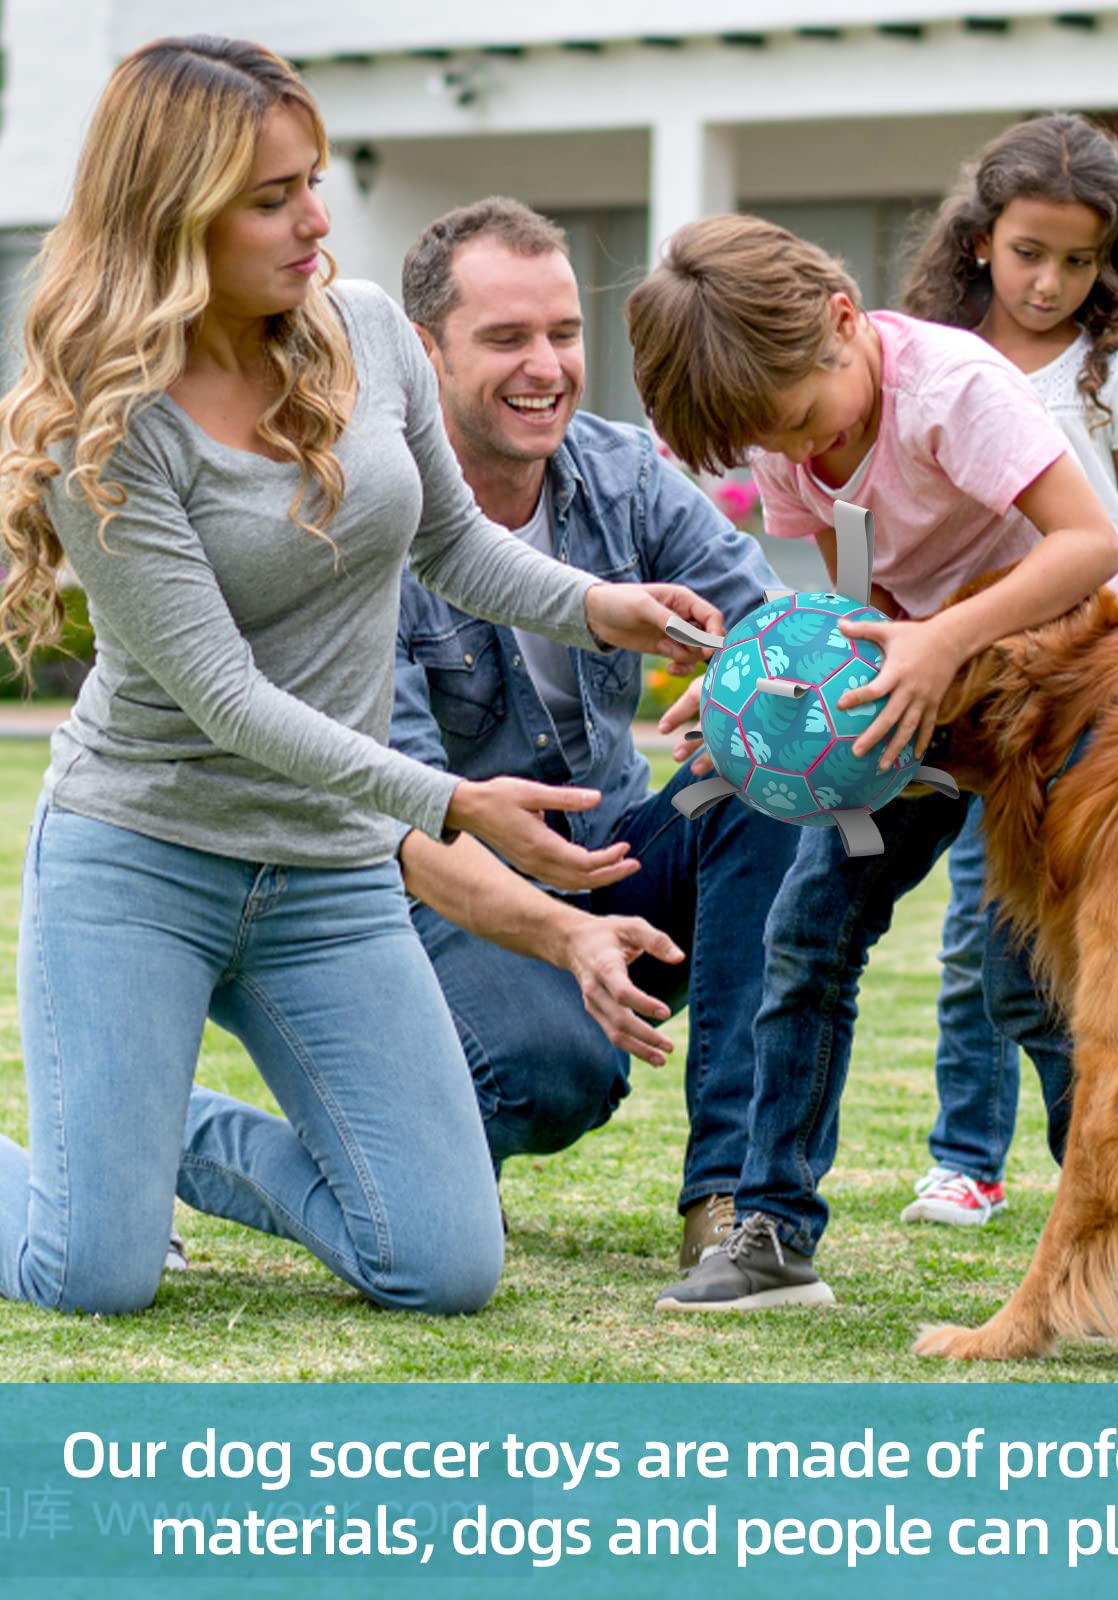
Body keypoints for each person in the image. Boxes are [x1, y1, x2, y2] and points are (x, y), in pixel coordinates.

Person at [0, 36, 713, 1317]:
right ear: (175, 210)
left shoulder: (367, 329)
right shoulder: (101, 421)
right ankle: (93, 1177)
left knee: (441, 1265)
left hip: (323, 879)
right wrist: (449, 802)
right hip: (142, 857)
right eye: (271, 197)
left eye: (313, 181)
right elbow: (224, 696)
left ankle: (152, 1137)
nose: (315, 221)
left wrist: (607, 609)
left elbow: (448, 541)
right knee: (88, 1273)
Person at [626, 215, 1118, 1338]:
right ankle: (774, 1229)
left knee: (1029, 978)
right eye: (762, 439)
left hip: (1067, 696)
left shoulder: (952, 390)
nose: (791, 446)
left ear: (844, 322)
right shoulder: (792, 442)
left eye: (795, 415)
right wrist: (753, 701)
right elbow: (852, 611)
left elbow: (1088, 547)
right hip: (919, 695)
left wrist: (944, 642)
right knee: (809, 929)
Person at [390, 198, 794, 1267]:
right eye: (506, 338)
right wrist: (553, 935)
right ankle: (387, 1127)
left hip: (618, 857)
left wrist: (741, 689)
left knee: (767, 784)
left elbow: (771, 625)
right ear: (424, 350)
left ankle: (732, 1202)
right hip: (445, 895)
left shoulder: (622, 473)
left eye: (563, 334)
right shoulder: (371, 516)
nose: (546, 367)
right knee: (555, 1071)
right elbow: (399, 817)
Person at [895, 113, 1118, 1240]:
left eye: (1079, 261)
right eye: (1028, 252)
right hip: (994, 696)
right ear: (981, 240)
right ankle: (965, 1157)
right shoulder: (934, 362)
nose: (1048, 282)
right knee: (980, 939)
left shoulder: (1109, 375)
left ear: (1110, 265)